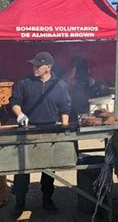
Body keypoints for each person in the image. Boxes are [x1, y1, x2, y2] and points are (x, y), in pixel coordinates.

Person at [9, 52, 71, 217]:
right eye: (33, 65)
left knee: (48, 169)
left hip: (49, 129)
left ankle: (47, 199)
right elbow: (14, 101)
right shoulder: (25, 82)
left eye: (38, 66)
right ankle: (20, 203)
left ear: (48, 67)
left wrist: (64, 129)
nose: (34, 68)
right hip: (27, 129)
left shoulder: (59, 85)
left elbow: (65, 108)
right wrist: (20, 114)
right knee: (22, 168)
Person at [68, 56, 90, 122]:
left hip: (77, 91)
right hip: (84, 91)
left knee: (75, 109)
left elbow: (71, 77)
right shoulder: (86, 65)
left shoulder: (75, 65)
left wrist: (69, 85)